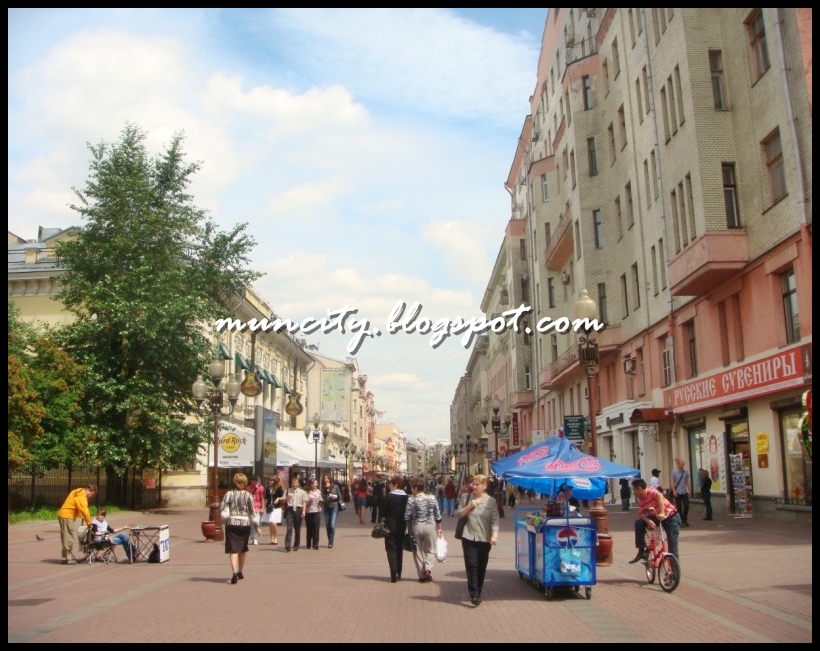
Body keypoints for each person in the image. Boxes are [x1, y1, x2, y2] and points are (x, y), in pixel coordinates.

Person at [456, 474, 500, 606]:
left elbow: (495, 519)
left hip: (484, 537)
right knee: (471, 565)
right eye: (473, 484)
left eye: (477, 484)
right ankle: (474, 594)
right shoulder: (466, 498)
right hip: (468, 536)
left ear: (484, 486)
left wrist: (494, 535)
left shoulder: (491, 502)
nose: (474, 487)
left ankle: (478, 590)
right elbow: (457, 514)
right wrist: (468, 507)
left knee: (481, 565)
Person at [629, 477, 681, 563]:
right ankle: (641, 551)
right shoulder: (641, 499)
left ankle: (674, 573)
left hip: (671, 517)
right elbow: (641, 513)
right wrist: (647, 520)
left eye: (634, 490)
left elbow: (659, 496)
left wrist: (662, 512)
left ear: (639, 489)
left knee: (673, 548)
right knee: (638, 523)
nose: (634, 493)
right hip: (656, 516)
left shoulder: (651, 491)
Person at [404, 477, 443, 583]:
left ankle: (421, 576)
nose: (411, 490)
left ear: (416, 488)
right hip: (430, 525)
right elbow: (437, 514)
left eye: (412, 488)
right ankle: (428, 568)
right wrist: (439, 528)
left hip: (416, 526)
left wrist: (407, 529)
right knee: (430, 549)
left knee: (417, 551)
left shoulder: (411, 499)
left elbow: (407, 516)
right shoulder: (432, 498)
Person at [220, 472, 256, 584]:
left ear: (234, 482)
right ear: (245, 482)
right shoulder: (248, 495)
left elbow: (222, 507)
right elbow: (252, 512)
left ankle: (234, 572)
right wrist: (257, 526)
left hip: (232, 523)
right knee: (243, 549)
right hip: (244, 524)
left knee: (233, 549)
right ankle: (240, 571)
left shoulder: (229, 494)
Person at [57, 483, 97, 565]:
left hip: (64, 515)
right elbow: (84, 510)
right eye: (91, 494)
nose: (90, 497)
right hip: (67, 516)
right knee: (68, 537)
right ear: (88, 490)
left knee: (66, 536)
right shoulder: (81, 496)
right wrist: (89, 523)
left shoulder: (77, 491)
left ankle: (65, 557)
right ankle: (67, 558)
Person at [382, 475, 409, 582]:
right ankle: (399, 572)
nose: (389, 486)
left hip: (390, 524)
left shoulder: (389, 497)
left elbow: (383, 511)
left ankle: (393, 574)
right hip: (402, 525)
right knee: (399, 548)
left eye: (391, 484)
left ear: (395, 485)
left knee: (390, 548)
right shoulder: (406, 497)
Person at [284, 474, 307, 552]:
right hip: (290, 510)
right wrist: (287, 498)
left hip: (298, 509)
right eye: (293, 483)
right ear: (291, 483)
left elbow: (304, 502)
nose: (294, 484)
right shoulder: (287, 491)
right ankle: (287, 544)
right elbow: (283, 501)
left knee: (297, 528)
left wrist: (303, 511)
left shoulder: (302, 492)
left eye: (296, 483)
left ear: (298, 483)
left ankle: (296, 545)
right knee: (289, 528)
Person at [321, 474, 344, 548]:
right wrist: (326, 491)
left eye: (326, 478)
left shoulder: (335, 486)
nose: (325, 480)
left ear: (330, 479)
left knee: (332, 524)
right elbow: (322, 497)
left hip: (334, 507)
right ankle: (329, 539)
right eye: (325, 478)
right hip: (326, 507)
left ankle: (331, 541)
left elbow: (340, 497)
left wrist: (334, 497)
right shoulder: (323, 487)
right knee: (328, 525)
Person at [263, 476, 285, 544]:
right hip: (269, 507)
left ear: (275, 481)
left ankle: (275, 538)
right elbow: (266, 498)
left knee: (274, 523)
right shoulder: (267, 488)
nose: (270, 482)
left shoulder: (279, 488)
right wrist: (264, 506)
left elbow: (283, 496)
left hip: (276, 507)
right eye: (269, 480)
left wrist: (278, 498)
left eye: (272, 480)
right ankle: (272, 538)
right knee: (270, 523)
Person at [670, 459, 692, 527]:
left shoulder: (685, 472)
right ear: (678, 464)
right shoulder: (674, 472)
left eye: (683, 464)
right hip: (677, 492)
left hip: (684, 491)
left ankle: (684, 518)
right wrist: (673, 491)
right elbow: (672, 481)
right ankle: (681, 521)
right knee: (679, 507)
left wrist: (689, 490)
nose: (683, 465)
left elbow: (687, 481)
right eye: (682, 464)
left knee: (686, 505)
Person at [246, 475, 266, 545]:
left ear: (257, 481)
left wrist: (263, 508)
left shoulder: (260, 488)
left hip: (258, 508)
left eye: (255, 481)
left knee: (256, 523)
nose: (253, 482)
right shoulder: (248, 488)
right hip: (250, 508)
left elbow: (262, 498)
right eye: (252, 481)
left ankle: (255, 538)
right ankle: (252, 538)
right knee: (251, 524)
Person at [304, 478, 324, 550]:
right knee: (309, 528)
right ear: (311, 484)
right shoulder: (306, 492)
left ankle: (315, 544)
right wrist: (309, 501)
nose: (316, 484)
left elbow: (321, 500)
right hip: (309, 511)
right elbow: (304, 502)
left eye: (317, 483)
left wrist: (321, 503)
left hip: (317, 511)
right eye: (315, 483)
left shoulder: (318, 491)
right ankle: (308, 543)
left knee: (316, 528)